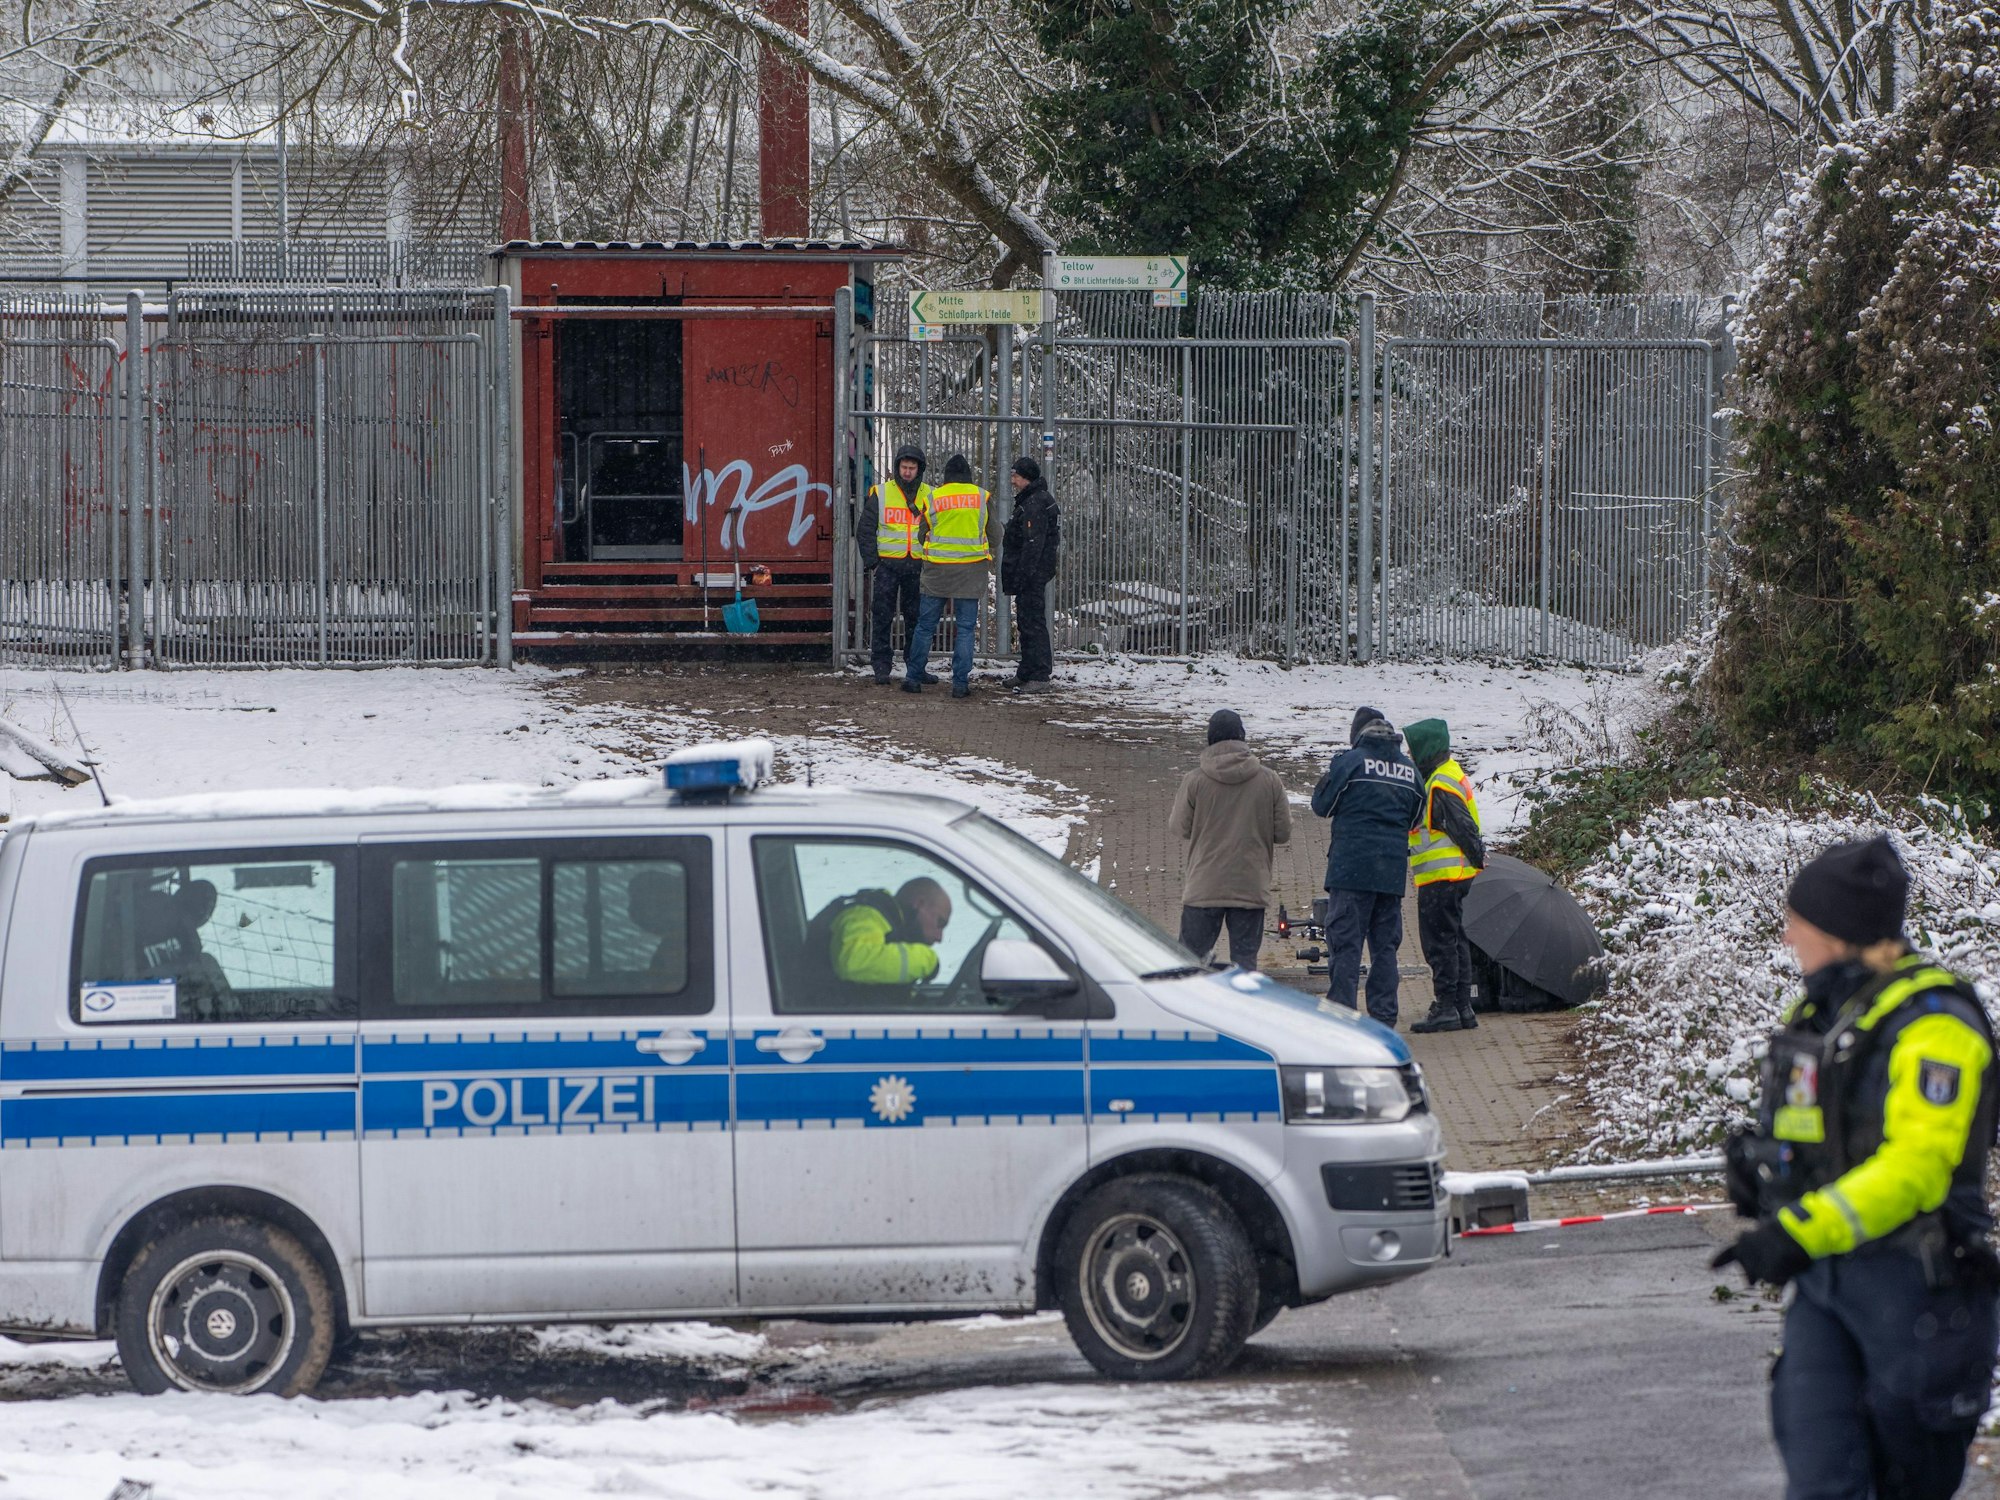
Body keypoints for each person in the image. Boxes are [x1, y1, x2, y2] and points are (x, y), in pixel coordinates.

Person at [1714, 835, 1997, 1500]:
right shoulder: (1820, 1013)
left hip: (1919, 1294)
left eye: (1798, 923)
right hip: (1828, 1290)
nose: (1788, 937)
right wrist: (1764, 1172)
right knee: (1819, 1479)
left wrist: (1801, 1229)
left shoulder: (1937, 1026)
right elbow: (1818, 1137)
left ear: (1839, 933)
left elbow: (1917, 1169)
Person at [1309, 706, 1424, 1026]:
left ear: (1357, 734)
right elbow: (1416, 818)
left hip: (1351, 872)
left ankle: (1342, 1019)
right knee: (1385, 949)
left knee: (1345, 947)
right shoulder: (1410, 772)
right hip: (1390, 876)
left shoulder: (1350, 763)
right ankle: (1384, 1019)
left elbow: (1321, 805)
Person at [1168, 709, 1291, 971]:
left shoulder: (1195, 781)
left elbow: (1179, 827)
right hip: (1249, 885)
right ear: (1242, 737)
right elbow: (1283, 833)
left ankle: (1191, 1010)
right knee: (1245, 967)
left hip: (1204, 886)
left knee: (1189, 965)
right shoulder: (1269, 781)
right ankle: (1242, 1011)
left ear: (1210, 739)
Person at [1402, 718, 1487, 1035]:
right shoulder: (1447, 775)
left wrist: (1478, 854)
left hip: (1443, 876)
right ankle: (1462, 1007)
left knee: (1439, 943)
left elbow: (1463, 826)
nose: (1410, 757)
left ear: (1426, 750)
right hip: (1454, 874)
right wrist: (1476, 857)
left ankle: (1445, 1007)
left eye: (1413, 751)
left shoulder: (1438, 784)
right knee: (1454, 939)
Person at [904, 454, 998, 699]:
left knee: (925, 627)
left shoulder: (933, 498)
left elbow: (920, 535)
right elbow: (996, 536)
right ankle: (959, 684)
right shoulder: (982, 497)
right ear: (968, 476)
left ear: (946, 477)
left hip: (936, 572)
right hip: (970, 572)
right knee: (965, 629)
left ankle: (913, 678)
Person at [859, 444, 936, 686]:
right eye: (904, 467)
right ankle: (881, 666)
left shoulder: (931, 495)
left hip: (918, 566)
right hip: (888, 567)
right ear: (896, 467)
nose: (907, 472)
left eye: (912, 468)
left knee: (916, 619)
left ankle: (915, 668)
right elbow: (865, 530)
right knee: (882, 616)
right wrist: (874, 563)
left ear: (919, 470)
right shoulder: (880, 493)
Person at [807, 877, 954, 993]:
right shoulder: (864, 916)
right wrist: (926, 960)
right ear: (920, 904)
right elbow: (854, 961)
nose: (939, 937)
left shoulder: (892, 924)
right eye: (940, 923)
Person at [1000, 456, 1060, 693]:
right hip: (1032, 573)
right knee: (1027, 621)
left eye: (1016, 476)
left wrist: (1024, 575)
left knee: (1032, 622)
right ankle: (1027, 670)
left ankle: (1039, 674)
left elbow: (1033, 544)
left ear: (1026, 478)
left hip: (1031, 574)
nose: (1012, 480)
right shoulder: (1034, 500)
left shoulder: (1034, 503)